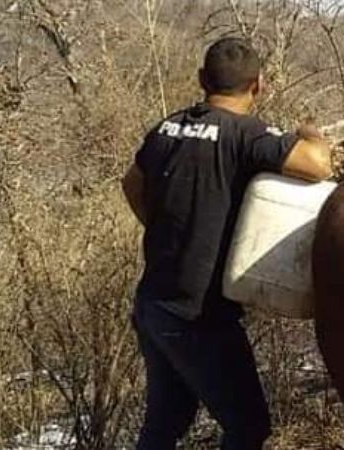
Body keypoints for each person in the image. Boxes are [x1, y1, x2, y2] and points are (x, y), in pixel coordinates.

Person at [121, 37, 332, 450]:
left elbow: (131, 183)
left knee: (165, 422)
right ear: (258, 86)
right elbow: (317, 165)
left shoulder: (166, 128)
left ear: (202, 80)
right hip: (199, 316)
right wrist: (312, 133)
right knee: (248, 428)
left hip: (153, 304)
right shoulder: (245, 134)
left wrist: (163, 226)